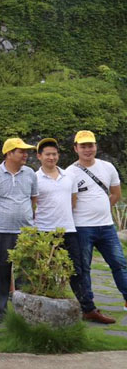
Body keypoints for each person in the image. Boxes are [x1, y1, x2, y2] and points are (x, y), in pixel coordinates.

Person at [34, 138, 110, 323]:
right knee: (45, 271)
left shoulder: (68, 176)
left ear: (58, 155)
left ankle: (88, 309)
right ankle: (43, 310)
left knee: (77, 270)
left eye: (54, 154)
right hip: (44, 231)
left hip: (68, 229)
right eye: (47, 154)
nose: (51, 157)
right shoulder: (34, 178)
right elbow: (32, 203)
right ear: (39, 156)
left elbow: (73, 201)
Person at [66, 130, 126, 318]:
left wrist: (102, 208)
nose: (87, 149)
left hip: (107, 226)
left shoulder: (107, 167)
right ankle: (89, 308)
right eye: (83, 146)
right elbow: (68, 201)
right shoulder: (69, 172)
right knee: (83, 269)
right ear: (76, 148)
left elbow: (116, 194)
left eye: (90, 145)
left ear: (96, 146)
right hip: (81, 227)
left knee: (119, 263)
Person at [0, 138, 38, 323]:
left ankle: (24, 313)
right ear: (9, 153)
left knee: (25, 272)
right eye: (21, 151)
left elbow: (33, 199)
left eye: (26, 151)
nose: (25, 155)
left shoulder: (30, 173)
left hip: (25, 231)